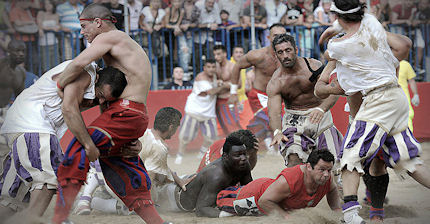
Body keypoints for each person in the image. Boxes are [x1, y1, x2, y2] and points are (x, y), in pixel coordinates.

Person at [315, 1, 430, 223]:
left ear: (338, 17)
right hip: (370, 111)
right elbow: (319, 89)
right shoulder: (369, 31)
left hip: (376, 105)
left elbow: (330, 47)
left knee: (353, 159)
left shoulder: (349, 43)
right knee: (408, 162)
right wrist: (333, 88)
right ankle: (365, 211)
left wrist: (340, 30)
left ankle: (352, 214)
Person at [52, 3, 167, 224]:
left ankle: (59, 219)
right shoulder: (122, 43)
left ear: (98, 22)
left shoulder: (109, 37)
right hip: (131, 114)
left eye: (84, 26)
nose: (82, 32)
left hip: (124, 114)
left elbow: (79, 63)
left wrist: (61, 84)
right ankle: (157, 222)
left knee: (79, 148)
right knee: (121, 165)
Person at [0, 61, 126, 223]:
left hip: (23, 124)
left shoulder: (90, 79)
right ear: (97, 79)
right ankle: (32, 220)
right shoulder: (85, 75)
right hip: (33, 124)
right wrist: (89, 145)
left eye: (105, 100)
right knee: (49, 178)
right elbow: (69, 109)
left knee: (13, 200)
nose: (100, 102)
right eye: (100, 94)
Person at [74, 107, 194, 215]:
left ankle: (85, 198)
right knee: (138, 205)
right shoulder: (160, 148)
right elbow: (150, 180)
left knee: (102, 165)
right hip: (123, 188)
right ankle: (94, 201)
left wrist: (178, 179)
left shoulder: (143, 133)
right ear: (171, 127)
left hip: (107, 176)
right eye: (177, 127)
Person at [267, 33, 342, 167]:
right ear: (276, 55)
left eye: (288, 50)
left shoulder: (313, 66)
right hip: (295, 120)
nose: (285, 55)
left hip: (321, 117)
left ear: (296, 50)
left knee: (333, 166)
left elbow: (334, 90)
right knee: (293, 159)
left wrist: (321, 109)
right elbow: (274, 113)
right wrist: (277, 131)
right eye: (280, 52)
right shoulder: (276, 81)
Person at [216, 149, 341, 217]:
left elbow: (332, 189)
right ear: (309, 167)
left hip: (270, 189)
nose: (326, 174)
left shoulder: (327, 178)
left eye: (329, 170)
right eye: (322, 170)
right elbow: (264, 201)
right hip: (252, 196)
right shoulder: (290, 179)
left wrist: (336, 209)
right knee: (220, 199)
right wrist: (287, 218)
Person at [159, 135, 253, 217]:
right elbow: (201, 210)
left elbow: (249, 191)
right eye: (238, 155)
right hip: (173, 196)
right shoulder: (217, 175)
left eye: (244, 154)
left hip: (188, 182)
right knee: (154, 192)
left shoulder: (244, 165)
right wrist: (229, 214)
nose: (244, 158)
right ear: (225, 156)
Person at [228, 23, 287, 155]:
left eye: (282, 35)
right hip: (259, 95)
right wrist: (233, 92)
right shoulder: (258, 55)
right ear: (268, 37)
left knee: (279, 119)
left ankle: (268, 147)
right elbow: (237, 66)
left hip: (279, 94)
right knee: (272, 118)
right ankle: (241, 145)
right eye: (276, 35)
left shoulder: (289, 55)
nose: (279, 38)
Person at [175, 59, 227, 164]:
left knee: (211, 137)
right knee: (185, 137)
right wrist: (224, 86)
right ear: (204, 68)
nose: (211, 69)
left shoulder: (214, 76)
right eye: (208, 67)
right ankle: (180, 155)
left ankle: (201, 153)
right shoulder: (200, 78)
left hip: (209, 113)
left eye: (213, 67)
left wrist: (218, 82)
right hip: (194, 111)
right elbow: (211, 92)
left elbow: (214, 83)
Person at [0, 39, 26, 171]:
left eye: (23, 51)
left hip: (4, 113)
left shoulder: (21, 73)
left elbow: (19, 99)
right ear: (9, 52)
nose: (21, 54)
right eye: (17, 51)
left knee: (7, 151)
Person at [213, 44, 242, 137]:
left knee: (233, 125)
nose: (216, 57)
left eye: (218, 54)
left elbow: (239, 84)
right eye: (215, 55)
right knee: (223, 128)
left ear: (225, 54)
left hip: (229, 100)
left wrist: (223, 84)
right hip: (217, 100)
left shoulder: (232, 66)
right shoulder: (214, 66)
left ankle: (241, 146)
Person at [398, 60, 420, 132]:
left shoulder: (405, 64)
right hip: (389, 97)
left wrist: (415, 94)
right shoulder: (386, 62)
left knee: (408, 117)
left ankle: (409, 140)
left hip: (404, 97)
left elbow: (411, 80)